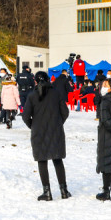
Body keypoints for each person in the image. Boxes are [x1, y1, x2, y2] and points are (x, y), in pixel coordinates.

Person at [21, 71, 70, 201]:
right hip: (56, 130)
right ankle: (64, 191)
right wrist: (59, 123)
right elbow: (65, 112)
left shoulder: (32, 95)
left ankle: (47, 192)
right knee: (58, 159)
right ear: (48, 80)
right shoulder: (56, 93)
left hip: (39, 132)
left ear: (35, 81)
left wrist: (33, 126)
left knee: (42, 161)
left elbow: (25, 116)